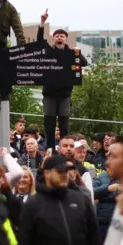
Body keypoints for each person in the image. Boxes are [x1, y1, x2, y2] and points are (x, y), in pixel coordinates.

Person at [37, 11, 89, 152]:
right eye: (57, 36)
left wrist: (78, 52)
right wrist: (42, 23)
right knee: (49, 124)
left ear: (66, 39)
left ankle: (65, 150)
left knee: (64, 125)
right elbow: (39, 42)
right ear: (53, 39)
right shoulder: (48, 51)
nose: (59, 38)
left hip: (65, 95)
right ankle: (49, 149)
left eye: (62, 36)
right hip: (49, 95)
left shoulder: (71, 53)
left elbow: (84, 63)